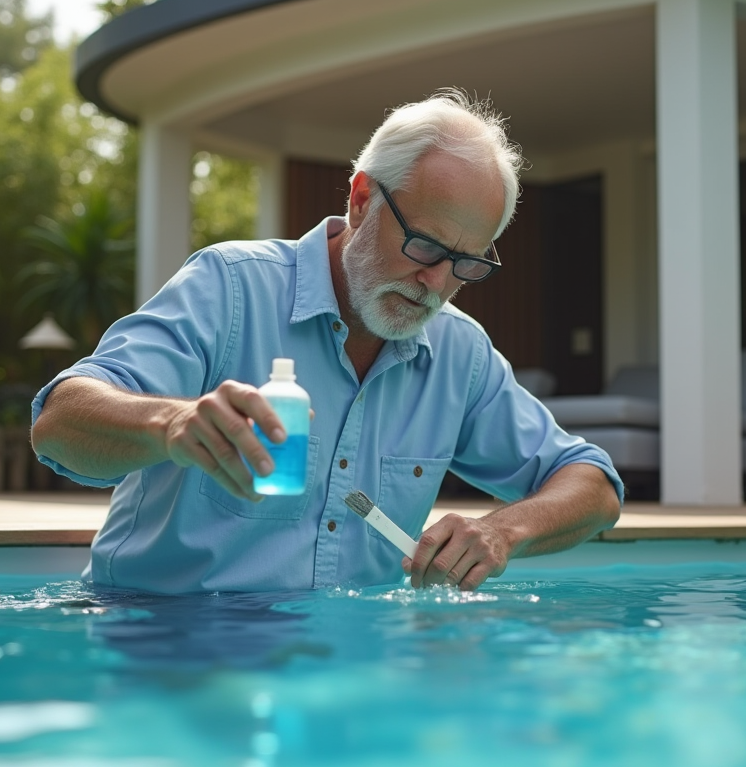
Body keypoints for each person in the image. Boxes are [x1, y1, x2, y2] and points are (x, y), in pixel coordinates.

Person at [31, 88, 623, 594]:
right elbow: (60, 419)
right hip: (164, 645)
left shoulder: (459, 355)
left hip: (342, 673)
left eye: (466, 264)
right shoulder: (230, 287)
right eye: (426, 246)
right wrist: (172, 424)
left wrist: (503, 532)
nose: (437, 284)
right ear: (362, 201)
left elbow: (593, 485)